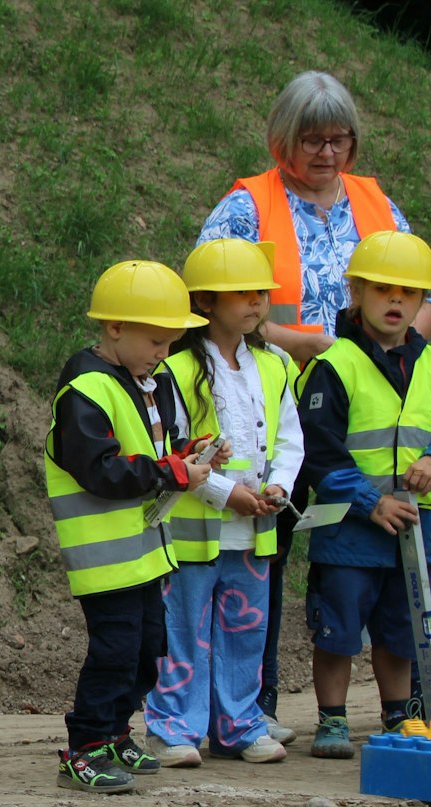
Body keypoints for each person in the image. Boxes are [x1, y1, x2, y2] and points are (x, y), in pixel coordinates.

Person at [196, 71, 430, 743]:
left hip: (372, 401)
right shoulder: (248, 205)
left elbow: (418, 288)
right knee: (262, 556)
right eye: (312, 139)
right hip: (274, 396)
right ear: (280, 140)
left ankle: (397, 705)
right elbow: (210, 298)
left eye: (340, 139)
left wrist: (401, 349)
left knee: (367, 563)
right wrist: (306, 343)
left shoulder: (376, 203)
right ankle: (254, 702)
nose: (327, 153)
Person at [46, 261, 223, 793]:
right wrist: (172, 471)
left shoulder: (151, 381)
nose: (163, 352)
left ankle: (115, 733)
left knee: (148, 648)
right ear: (114, 328)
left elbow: (150, 453)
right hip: (105, 559)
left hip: (146, 552)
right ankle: (83, 747)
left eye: (170, 342)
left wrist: (189, 455)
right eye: (155, 340)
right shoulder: (85, 390)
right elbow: (101, 471)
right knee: (115, 650)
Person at [144, 240, 304, 767]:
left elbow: (289, 439)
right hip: (194, 531)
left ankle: (239, 725)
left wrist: (278, 486)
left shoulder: (275, 365)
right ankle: (172, 729)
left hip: (254, 529)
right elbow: (171, 447)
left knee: (245, 632)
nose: (255, 302)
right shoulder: (179, 369)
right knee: (183, 629)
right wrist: (224, 493)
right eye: (241, 293)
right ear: (206, 302)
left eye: (260, 291)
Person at [294, 230, 431, 758]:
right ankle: (332, 719)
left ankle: (397, 718)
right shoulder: (336, 365)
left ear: (421, 302)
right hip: (349, 527)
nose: (395, 300)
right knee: (338, 628)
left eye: (408, 292)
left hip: (412, 529)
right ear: (355, 292)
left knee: (401, 629)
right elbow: (319, 453)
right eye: (381, 289)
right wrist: (371, 502)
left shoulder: (428, 364)